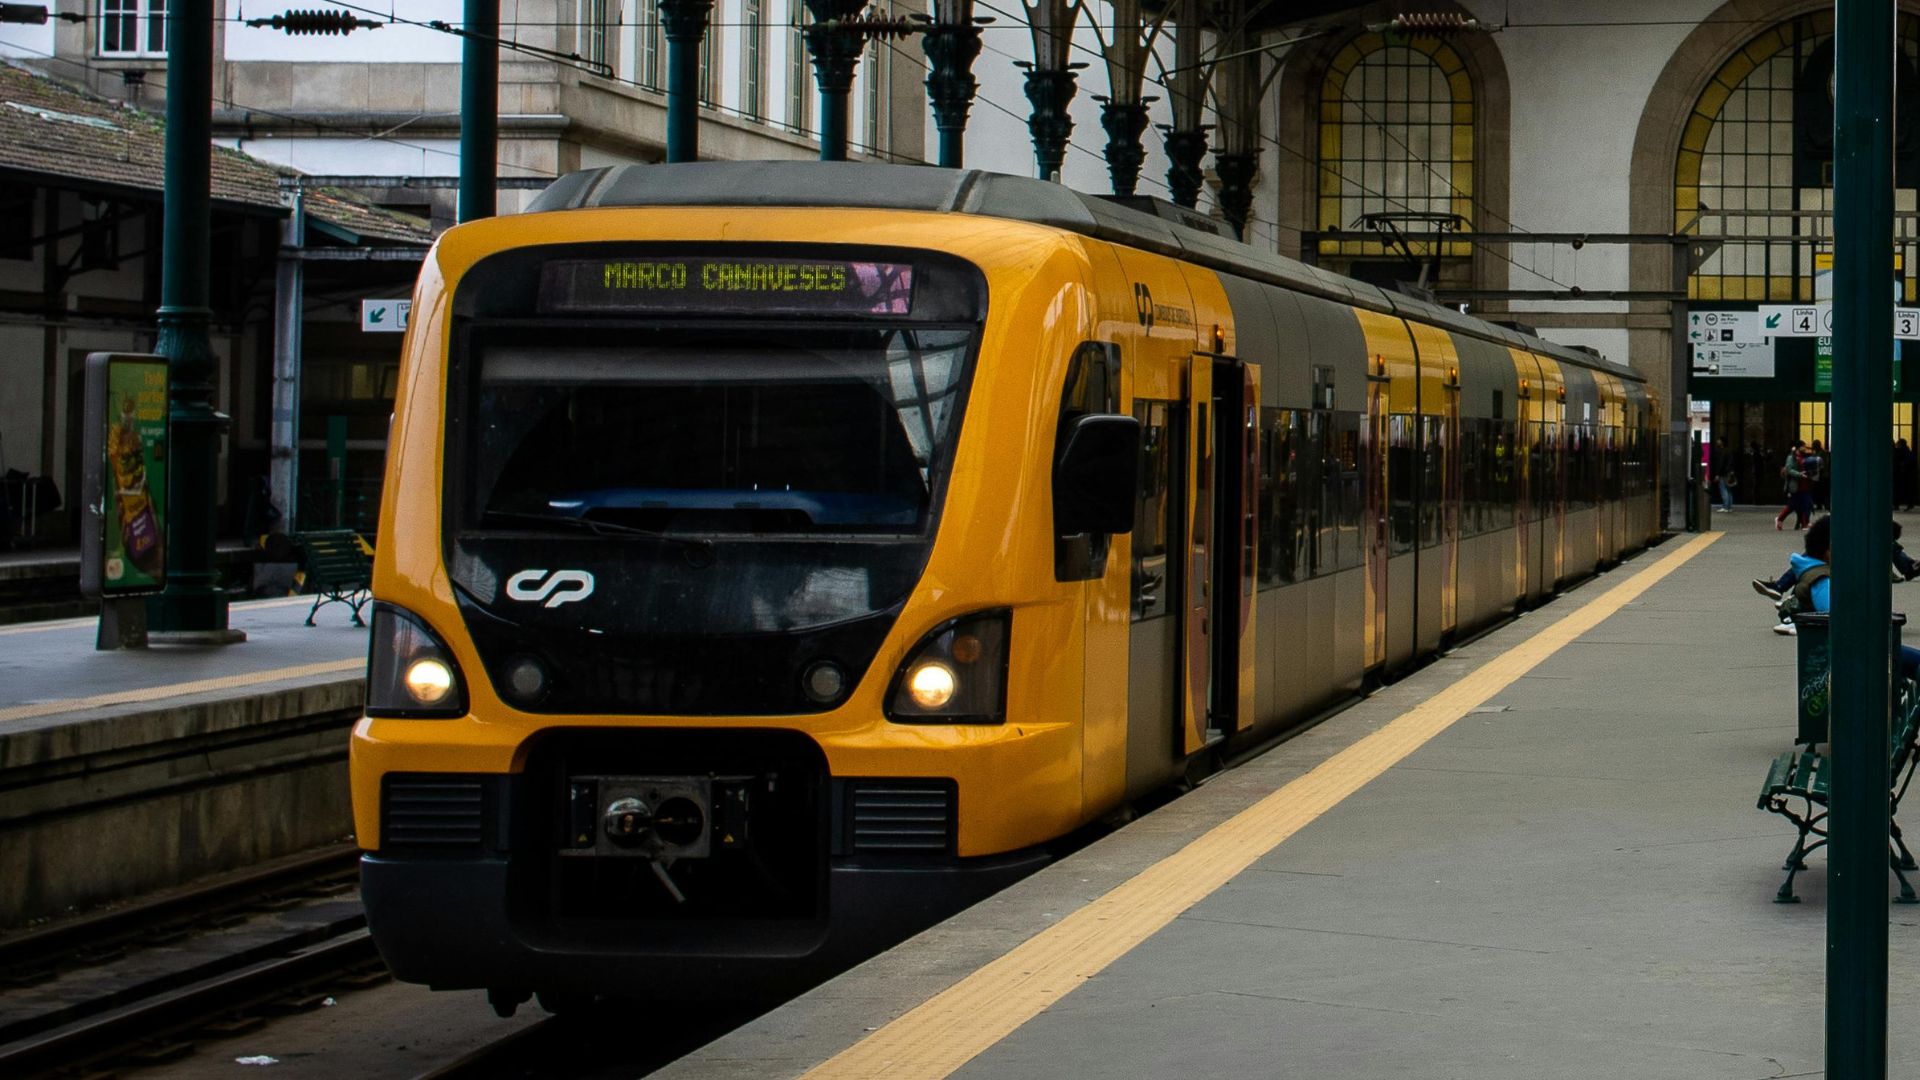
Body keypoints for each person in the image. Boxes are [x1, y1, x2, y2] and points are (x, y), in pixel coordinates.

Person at [1776, 441, 1810, 531]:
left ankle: (1804, 523)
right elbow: (1789, 470)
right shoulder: (1791, 457)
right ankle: (1780, 518)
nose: (1805, 448)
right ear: (1799, 447)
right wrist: (1799, 474)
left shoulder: (1803, 456)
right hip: (1796, 485)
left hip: (1804, 484)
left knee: (1804, 504)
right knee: (1793, 505)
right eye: (1803, 446)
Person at [1711, 437, 1735, 512]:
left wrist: (1718, 474)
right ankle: (1729, 507)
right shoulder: (1730, 451)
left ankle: (1725, 507)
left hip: (1723, 473)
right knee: (1729, 490)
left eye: (1719, 440)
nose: (1717, 441)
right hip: (1729, 472)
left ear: (1722, 442)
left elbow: (1721, 463)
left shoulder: (1722, 451)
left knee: (1723, 490)